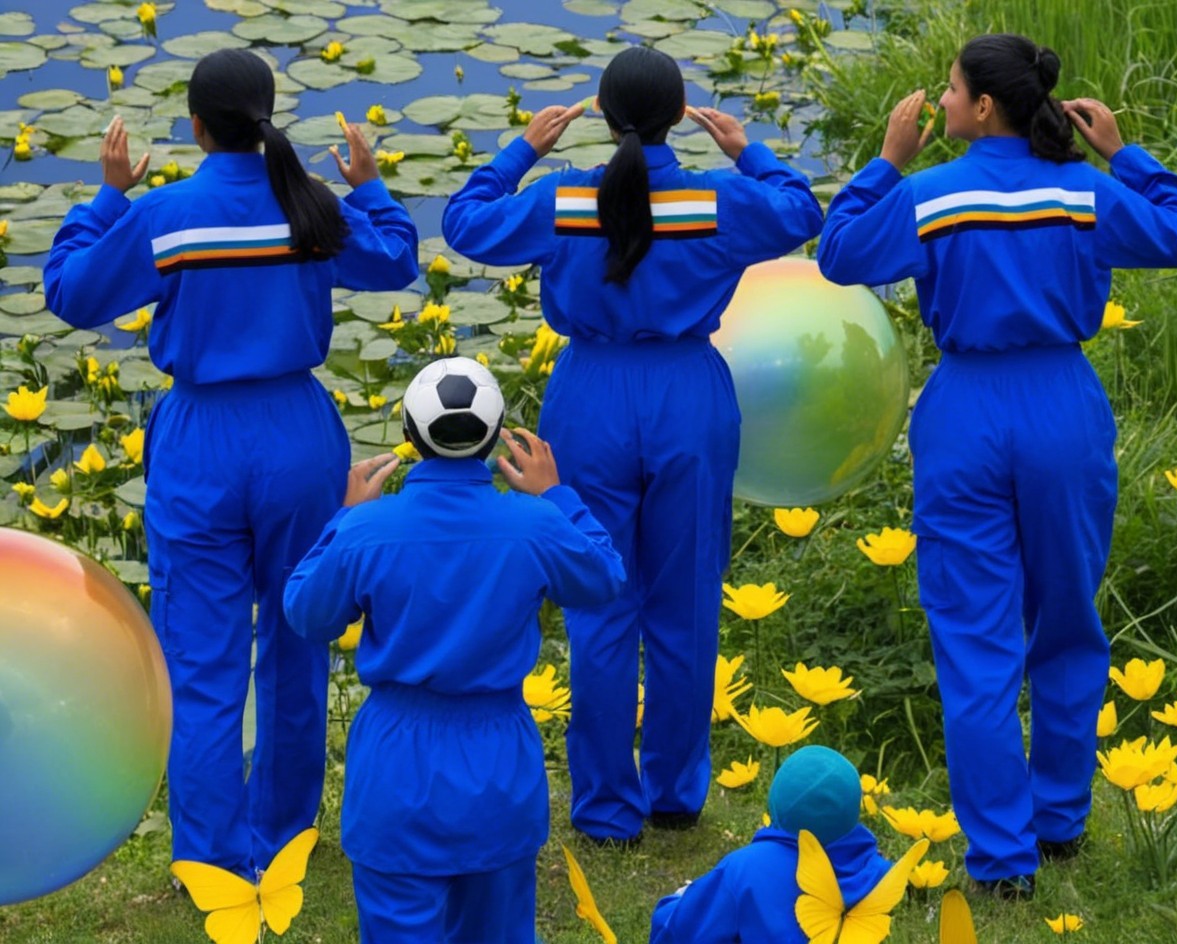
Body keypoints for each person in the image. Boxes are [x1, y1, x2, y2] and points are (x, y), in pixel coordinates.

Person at [816, 34, 1177, 898]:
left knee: (973, 638)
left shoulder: (928, 196)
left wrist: (887, 160)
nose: (940, 102)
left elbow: (838, 255)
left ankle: (1001, 861)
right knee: (1066, 619)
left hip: (966, 414)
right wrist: (1124, 152)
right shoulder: (1084, 192)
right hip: (1063, 406)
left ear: (983, 107)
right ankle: (1061, 819)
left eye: (949, 92)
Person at [42, 48, 419, 877]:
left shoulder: (167, 216)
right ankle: (285, 839)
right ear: (269, 117)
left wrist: (108, 195)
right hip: (298, 434)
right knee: (298, 635)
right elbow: (397, 258)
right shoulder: (311, 206)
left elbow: (69, 293)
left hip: (201, 442)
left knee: (203, 660)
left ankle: (211, 858)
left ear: (196, 125)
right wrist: (368, 182)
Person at [443, 44, 823, 845]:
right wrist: (744, 147)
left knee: (599, 601)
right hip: (687, 392)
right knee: (685, 600)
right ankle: (677, 791)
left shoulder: (562, 199)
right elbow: (801, 210)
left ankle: (606, 805)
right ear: (679, 112)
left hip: (593, 395)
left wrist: (523, 148)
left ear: (606, 117)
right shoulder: (717, 200)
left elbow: (463, 224)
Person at [283, 357, 626, 944]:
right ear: (493, 439)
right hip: (500, 769)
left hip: (395, 771)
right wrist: (558, 496)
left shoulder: (370, 531)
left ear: (412, 440)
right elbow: (605, 578)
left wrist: (343, 517)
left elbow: (305, 612)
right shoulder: (534, 525)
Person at [649, 746, 892, 943]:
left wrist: (674, 903)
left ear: (776, 799)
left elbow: (684, 932)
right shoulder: (876, 871)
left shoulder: (746, 868)